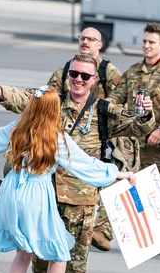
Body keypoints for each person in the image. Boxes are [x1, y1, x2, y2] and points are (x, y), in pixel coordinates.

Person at [0, 54, 152, 273]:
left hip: (76, 195)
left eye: (84, 76)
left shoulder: (103, 110)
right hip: (45, 192)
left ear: (94, 80)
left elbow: (137, 124)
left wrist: (147, 114)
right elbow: (22, 100)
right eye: (74, 74)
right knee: (42, 252)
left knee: (71, 256)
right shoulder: (52, 111)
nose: (78, 80)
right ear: (67, 75)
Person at [45, 27, 124, 252]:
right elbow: (48, 95)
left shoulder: (109, 71)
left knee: (103, 179)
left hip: (97, 131)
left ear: (100, 44)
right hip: (64, 136)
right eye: (82, 38)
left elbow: (120, 98)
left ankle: (102, 228)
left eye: (91, 39)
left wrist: (99, 111)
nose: (85, 42)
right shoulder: (66, 69)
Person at [106, 23, 160, 217]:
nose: (146, 46)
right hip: (133, 144)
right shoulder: (133, 71)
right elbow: (117, 97)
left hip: (158, 145)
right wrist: (106, 109)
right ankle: (141, 239)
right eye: (144, 41)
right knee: (133, 191)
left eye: (152, 42)